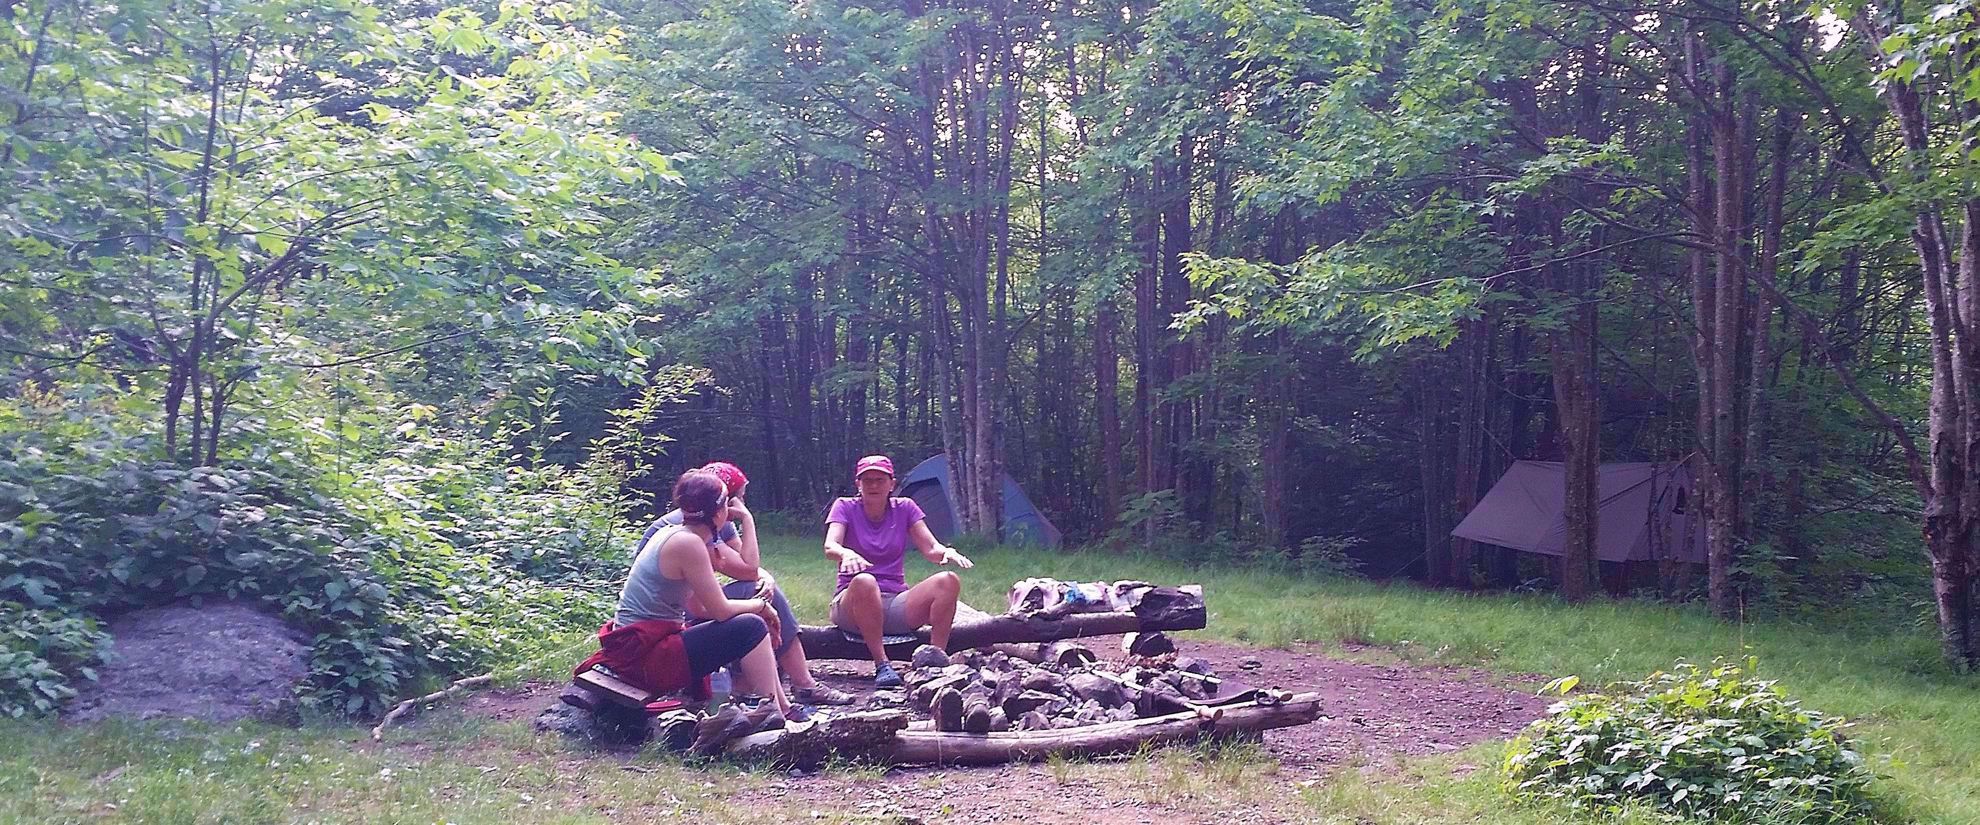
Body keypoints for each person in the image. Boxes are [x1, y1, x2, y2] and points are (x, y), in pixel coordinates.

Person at [576, 470, 795, 720]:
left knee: (748, 624)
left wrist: (756, 607)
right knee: (751, 627)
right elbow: (720, 610)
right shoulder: (688, 544)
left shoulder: (677, 534)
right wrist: (761, 607)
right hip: (642, 657)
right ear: (720, 511)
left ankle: (782, 708)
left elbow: (701, 609)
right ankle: (775, 716)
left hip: (639, 647)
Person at [654, 461, 854, 705]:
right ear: (724, 506)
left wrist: (764, 578)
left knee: (762, 593)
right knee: (752, 622)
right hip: (663, 635)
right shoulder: (691, 535)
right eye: (739, 499)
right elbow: (714, 603)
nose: (742, 504)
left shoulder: (699, 522)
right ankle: (779, 695)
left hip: (669, 623)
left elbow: (749, 570)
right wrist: (758, 605)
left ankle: (787, 695)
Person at [823, 455, 974, 688]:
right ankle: (882, 664)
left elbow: (931, 548)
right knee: (865, 580)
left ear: (891, 484)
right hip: (852, 604)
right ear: (858, 484)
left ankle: (935, 663)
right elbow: (830, 546)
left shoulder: (905, 508)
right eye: (868, 480)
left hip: (894, 602)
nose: (873, 485)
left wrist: (946, 552)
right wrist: (845, 553)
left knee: (948, 581)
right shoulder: (845, 506)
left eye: (880, 480)